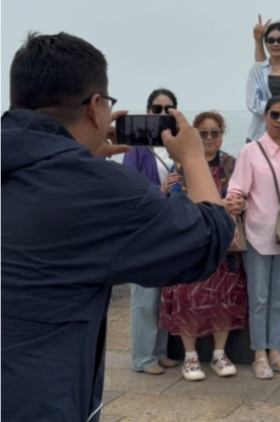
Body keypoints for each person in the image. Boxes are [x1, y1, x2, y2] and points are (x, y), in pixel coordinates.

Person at [2, 32, 236, 422]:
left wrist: (80, 150)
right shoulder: (100, 190)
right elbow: (209, 239)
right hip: (37, 400)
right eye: (106, 104)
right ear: (96, 107)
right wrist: (194, 158)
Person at [227, 96, 280, 380]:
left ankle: (276, 352)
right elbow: (237, 188)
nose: (279, 121)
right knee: (260, 297)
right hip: (258, 233)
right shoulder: (250, 152)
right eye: (274, 114)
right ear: (265, 116)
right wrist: (233, 201)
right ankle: (259, 354)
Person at [160, 111, 248, 381]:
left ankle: (219, 354)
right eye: (203, 133)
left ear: (222, 135)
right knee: (188, 297)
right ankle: (190, 356)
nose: (209, 138)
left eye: (215, 133)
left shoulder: (232, 165)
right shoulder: (181, 165)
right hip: (190, 244)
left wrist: (240, 204)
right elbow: (177, 204)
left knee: (224, 297)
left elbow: (243, 195)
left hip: (225, 245)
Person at [122, 88, 181, 375]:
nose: (161, 114)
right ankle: (143, 358)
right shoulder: (136, 147)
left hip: (168, 228)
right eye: (156, 109)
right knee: (145, 298)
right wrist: (162, 190)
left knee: (165, 297)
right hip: (144, 231)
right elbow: (131, 191)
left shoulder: (176, 146)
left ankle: (159, 351)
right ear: (147, 112)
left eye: (167, 109)